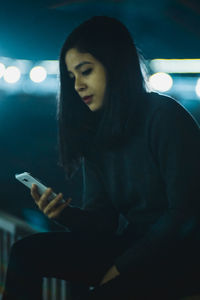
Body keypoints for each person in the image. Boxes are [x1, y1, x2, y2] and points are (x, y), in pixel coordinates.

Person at [2, 15, 200, 300]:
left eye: (86, 71)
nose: (77, 85)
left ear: (116, 66)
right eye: (72, 77)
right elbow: (102, 224)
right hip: (134, 246)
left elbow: (184, 214)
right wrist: (65, 215)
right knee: (25, 252)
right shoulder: (97, 134)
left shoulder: (165, 116)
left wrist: (121, 267)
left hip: (182, 254)